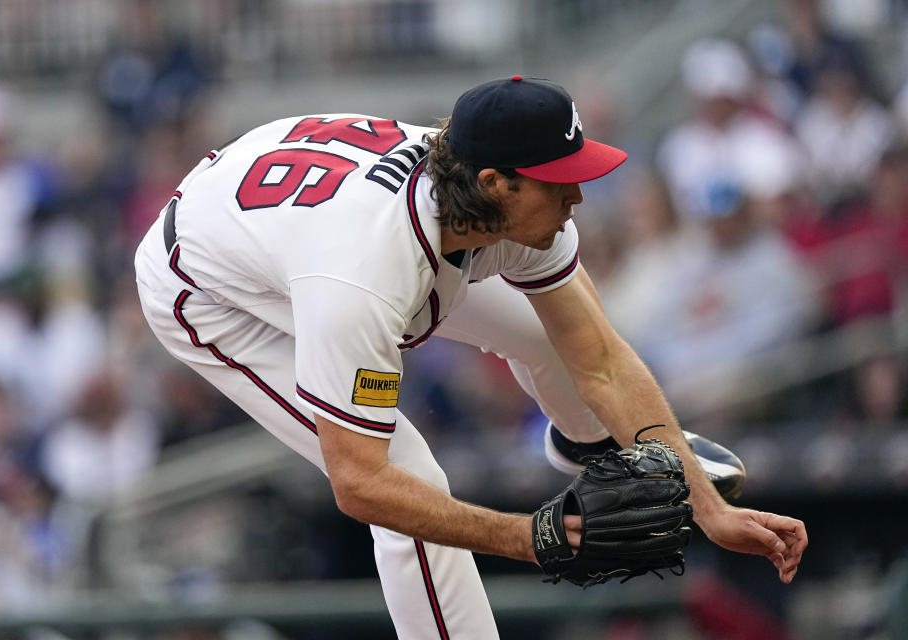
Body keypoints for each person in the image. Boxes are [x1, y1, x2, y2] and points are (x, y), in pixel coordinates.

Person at [134, 77, 807, 639]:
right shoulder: (364, 277)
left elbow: (599, 357)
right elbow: (360, 485)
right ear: (497, 185)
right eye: (560, 181)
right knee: (409, 479)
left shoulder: (500, 202)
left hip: (295, 203)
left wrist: (701, 500)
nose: (577, 197)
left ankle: (593, 445)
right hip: (210, 288)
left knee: (559, 337)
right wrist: (537, 536)